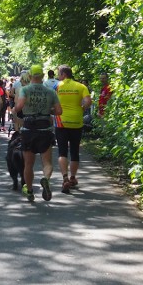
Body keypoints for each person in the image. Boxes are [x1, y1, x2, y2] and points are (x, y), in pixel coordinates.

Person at [14, 64, 62, 202]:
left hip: (29, 129)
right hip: (45, 129)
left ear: (29, 76)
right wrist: (48, 111)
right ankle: (46, 179)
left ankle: (29, 191)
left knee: (28, 164)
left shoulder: (25, 90)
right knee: (47, 162)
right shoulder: (50, 92)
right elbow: (59, 111)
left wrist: (15, 108)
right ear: (42, 76)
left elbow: (20, 106)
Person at [54, 65, 91, 193]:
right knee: (74, 151)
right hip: (76, 122)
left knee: (62, 152)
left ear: (64, 74)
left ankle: (65, 178)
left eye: (59, 73)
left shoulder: (57, 86)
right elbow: (88, 102)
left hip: (61, 122)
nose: (58, 76)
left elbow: (52, 101)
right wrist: (81, 109)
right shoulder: (81, 86)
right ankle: (73, 178)